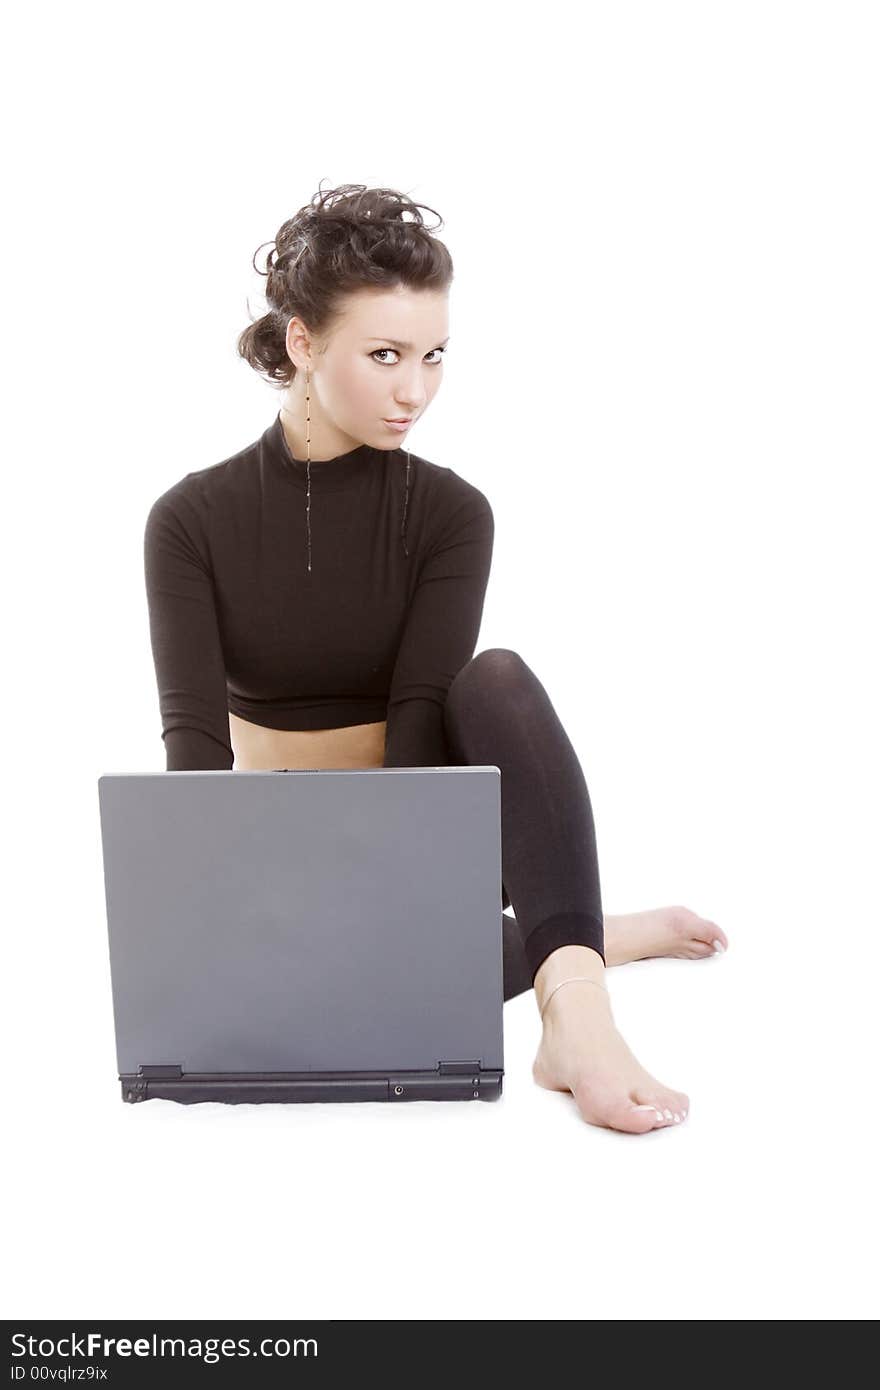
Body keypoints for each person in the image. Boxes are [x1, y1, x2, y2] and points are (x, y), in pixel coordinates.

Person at [144, 181, 728, 1134]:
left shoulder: (454, 513)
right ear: (301, 343)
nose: (415, 389)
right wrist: (205, 931)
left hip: (424, 825)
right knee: (324, 976)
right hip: (283, 853)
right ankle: (575, 930)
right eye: (384, 356)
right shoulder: (189, 520)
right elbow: (195, 753)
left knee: (492, 674)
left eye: (434, 356)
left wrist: (410, 903)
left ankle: (572, 1007)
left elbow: (422, 715)